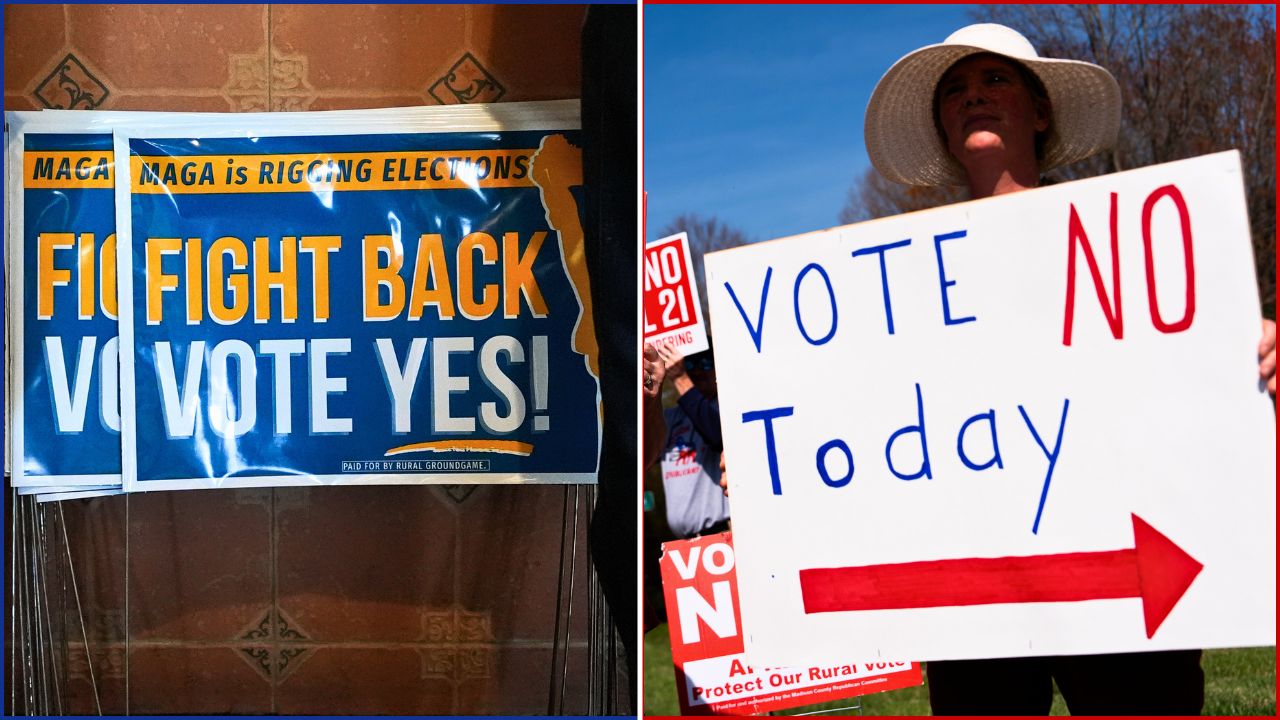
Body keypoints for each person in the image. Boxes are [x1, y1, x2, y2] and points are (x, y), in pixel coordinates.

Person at [856, 22, 1278, 715]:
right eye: (955, 90)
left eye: (996, 79)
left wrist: (1252, 347)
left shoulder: (1127, 245)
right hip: (980, 586)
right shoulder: (898, 292)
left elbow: (1193, 363)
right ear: (940, 125)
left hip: (1125, 560)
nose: (974, 97)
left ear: (1041, 108)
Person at [649, 343, 730, 539]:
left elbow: (718, 437)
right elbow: (645, 451)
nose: (699, 370)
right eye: (691, 364)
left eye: (706, 363)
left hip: (720, 533)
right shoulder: (673, 417)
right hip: (683, 543)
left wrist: (680, 378)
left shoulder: (727, 408)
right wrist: (652, 385)